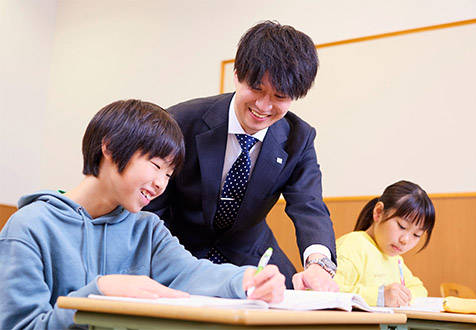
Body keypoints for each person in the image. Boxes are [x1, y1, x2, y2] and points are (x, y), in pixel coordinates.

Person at [0, 100, 285, 330]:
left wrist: (246, 280)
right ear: (109, 148)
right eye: (156, 165)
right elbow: (20, 325)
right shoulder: (30, 227)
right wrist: (99, 293)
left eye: (169, 174)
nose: (161, 183)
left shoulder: (147, 229)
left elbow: (191, 272)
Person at [145, 21, 337, 291]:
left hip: (253, 256)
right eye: (256, 89)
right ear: (237, 74)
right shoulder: (180, 121)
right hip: (179, 252)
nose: (263, 106)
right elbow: (153, 206)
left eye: (279, 96)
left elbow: (309, 205)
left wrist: (318, 264)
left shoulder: (299, 138)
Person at [334, 180, 436, 307]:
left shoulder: (395, 259)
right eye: (402, 226)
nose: (405, 240)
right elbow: (326, 293)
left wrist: (403, 297)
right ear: (378, 212)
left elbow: (420, 289)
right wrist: (379, 297)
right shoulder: (352, 246)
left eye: (416, 235)